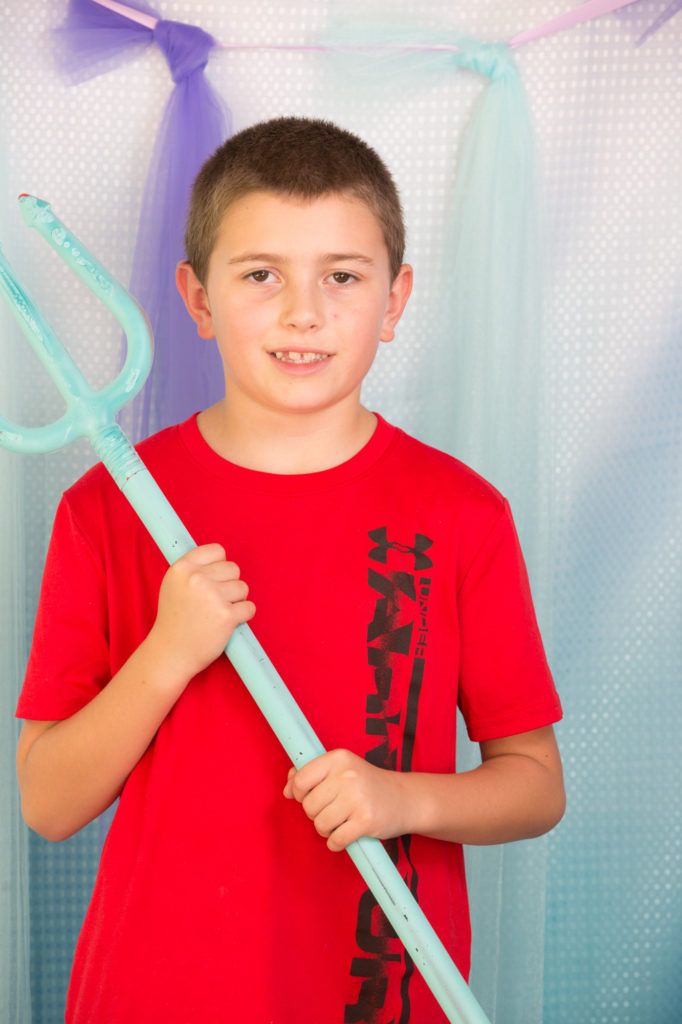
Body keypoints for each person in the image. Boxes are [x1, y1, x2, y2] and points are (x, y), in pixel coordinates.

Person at [15, 116, 564, 1023]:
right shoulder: (105, 512)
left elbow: (536, 785)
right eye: (260, 275)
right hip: (157, 992)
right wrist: (168, 652)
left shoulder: (463, 515)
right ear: (198, 300)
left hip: (373, 990)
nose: (303, 313)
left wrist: (403, 798)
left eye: (342, 276)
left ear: (396, 300)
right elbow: (47, 802)